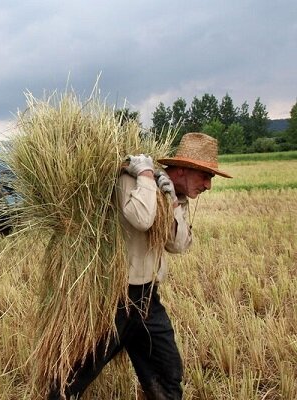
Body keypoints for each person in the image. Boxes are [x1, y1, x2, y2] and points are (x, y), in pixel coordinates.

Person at [48, 132, 231, 399]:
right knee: (74, 377)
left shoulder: (174, 194)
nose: (208, 185)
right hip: (112, 300)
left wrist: (172, 202)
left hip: (147, 300)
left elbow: (177, 245)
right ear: (182, 170)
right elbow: (142, 218)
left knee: (167, 373)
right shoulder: (132, 179)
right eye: (205, 176)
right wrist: (146, 176)